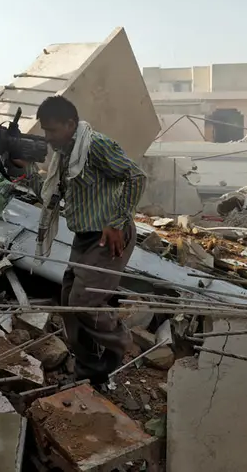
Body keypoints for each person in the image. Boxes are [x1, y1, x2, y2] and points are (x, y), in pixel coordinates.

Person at [9, 95, 146, 385]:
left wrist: (116, 222)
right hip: (85, 238)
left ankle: (122, 343)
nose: (48, 137)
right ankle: (91, 370)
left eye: (53, 130)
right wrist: (27, 170)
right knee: (69, 302)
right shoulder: (66, 156)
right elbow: (49, 197)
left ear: (71, 124)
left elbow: (135, 176)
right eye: (45, 130)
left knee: (84, 301)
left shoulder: (95, 145)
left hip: (109, 236)